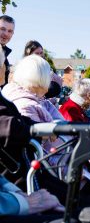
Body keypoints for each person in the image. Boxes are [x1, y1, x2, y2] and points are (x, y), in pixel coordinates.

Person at [0, 45, 65, 222]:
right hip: (25, 175)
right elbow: (12, 128)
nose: (7, 68)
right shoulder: (24, 101)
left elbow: (19, 122)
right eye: (3, 64)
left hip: (17, 182)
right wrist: (24, 201)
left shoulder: (10, 98)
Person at [0, 15, 15, 86]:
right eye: (2, 29)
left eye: (10, 31)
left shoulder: (4, 54)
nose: (6, 33)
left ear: (12, 34)